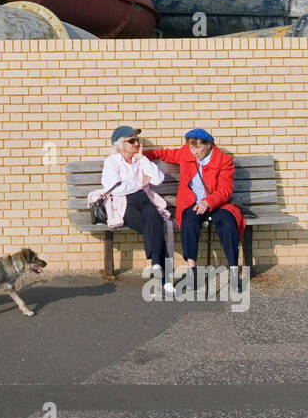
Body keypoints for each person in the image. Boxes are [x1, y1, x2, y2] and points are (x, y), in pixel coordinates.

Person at [144, 129, 245, 294]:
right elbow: (162, 154)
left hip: (217, 204)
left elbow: (225, 190)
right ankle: (192, 270)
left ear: (209, 145)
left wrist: (208, 201)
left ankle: (234, 270)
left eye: (198, 148)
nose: (195, 152)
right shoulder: (185, 153)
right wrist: (139, 157)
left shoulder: (223, 160)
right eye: (192, 148)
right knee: (189, 222)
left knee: (228, 224)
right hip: (191, 203)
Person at [98, 125, 173, 293]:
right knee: (154, 227)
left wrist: (143, 159)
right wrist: (141, 183)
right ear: (119, 145)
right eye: (131, 141)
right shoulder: (112, 162)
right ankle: (164, 278)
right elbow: (115, 188)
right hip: (122, 203)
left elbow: (158, 179)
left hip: (143, 199)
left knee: (153, 218)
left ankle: (156, 266)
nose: (136, 144)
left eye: (137, 140)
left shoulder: (140, 160)